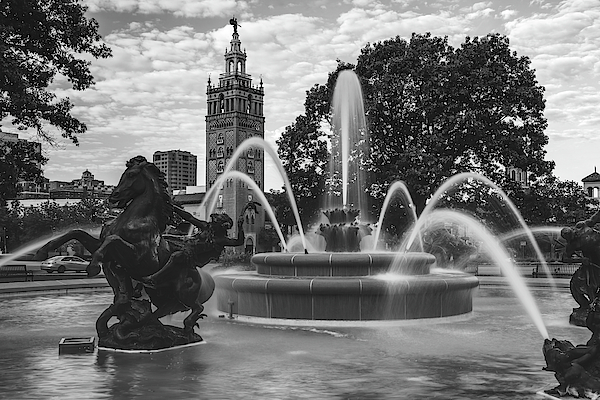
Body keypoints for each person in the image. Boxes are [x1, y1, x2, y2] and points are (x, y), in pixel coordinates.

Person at [142, 203, 255, 288]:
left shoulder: (221, 239)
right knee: (162, 239)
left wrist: (240, 227)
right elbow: (190, 218)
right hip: (185, 242)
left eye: (215, 222)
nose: (212, 223)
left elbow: (238, 242)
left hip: (192, 256)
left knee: (176, 256)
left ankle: (154, 279)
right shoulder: (206, 226)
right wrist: (174, 207)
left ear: (221, 226)